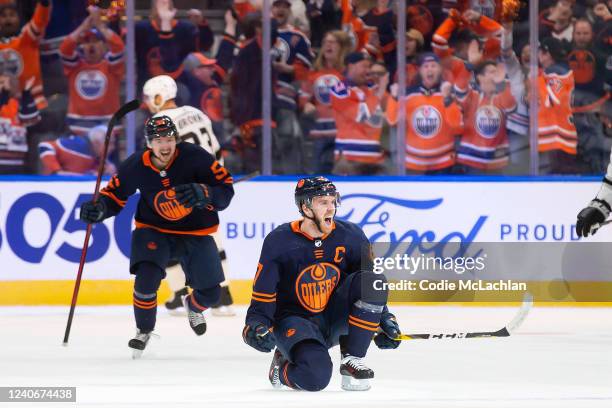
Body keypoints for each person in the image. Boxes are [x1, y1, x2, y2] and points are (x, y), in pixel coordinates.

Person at [79, 116, 234, 358]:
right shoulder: (136, 165)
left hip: (195, 231)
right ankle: (144, 330)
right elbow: (114, 196)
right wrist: (99, 209)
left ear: (176, 140)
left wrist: (205, 192)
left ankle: (193, 306)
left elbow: (225, 189)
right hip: (154, 230)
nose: (165, 145)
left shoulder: (196, 157)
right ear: (149, 143)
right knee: (146, 278)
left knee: (213, 294)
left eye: (170, 139)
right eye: (159, 140)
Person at [242, 176, 401, 391]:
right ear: (304, 207)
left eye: (333, 201)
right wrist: (256, 326)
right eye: (322, 202)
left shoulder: (352, 235)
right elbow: (263, 295)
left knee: (374, 280)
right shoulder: (279, 241)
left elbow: (367, 285)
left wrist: (384, 321)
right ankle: (281, 368)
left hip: (333, 317)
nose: (331, 208)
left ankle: (352, 359)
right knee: (315, 378)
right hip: (295, 321)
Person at [142, 75, 236, 317]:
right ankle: (223, 296)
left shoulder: (158, 121)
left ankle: (179, 292)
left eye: (149, 97)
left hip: (181, 187)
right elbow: (216, 149)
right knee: (210, 237)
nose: (148, 102)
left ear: (158, 96)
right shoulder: (197, 112)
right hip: (208, 185)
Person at [60, 5, 125, 136]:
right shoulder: (74, 66)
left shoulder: (112, 66)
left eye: (96, 41)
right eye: (87, 41)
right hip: (78, 127)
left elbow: (118, 46)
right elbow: (65, 48)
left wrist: (100, 26)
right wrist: (83, 27)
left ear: (105, 46)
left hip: (108, 128)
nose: (91, 45)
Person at [330, 52, 387, 175]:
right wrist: (379, 94)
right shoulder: (340, 90)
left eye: (369, 67)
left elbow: (389, 112)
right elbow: (362, 116)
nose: (368, 71)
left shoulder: (373, 89)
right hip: (349, 158)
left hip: (375, 158)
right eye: (364, 66)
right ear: (351, 66)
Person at [38, 125, 116, 175]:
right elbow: (45, 146)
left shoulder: (101, 160)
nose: (113, 147)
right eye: (110, 143)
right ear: (96, 143)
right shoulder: (76, 145)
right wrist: (56, 171)